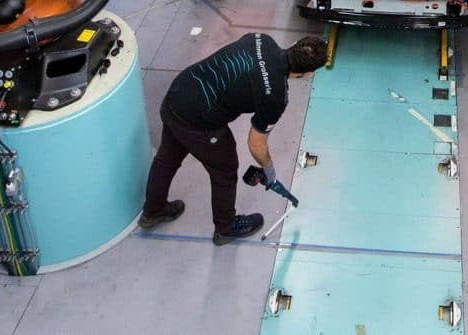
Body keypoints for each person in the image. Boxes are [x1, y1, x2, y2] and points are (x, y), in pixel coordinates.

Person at [139, 33, 329, 244]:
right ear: (308, 73)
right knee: (225, 169)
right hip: (199, 120)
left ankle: (152, 211)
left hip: (178, 92)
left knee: (167, 158)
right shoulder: (276, 96)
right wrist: (269, 171)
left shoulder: (261, 39)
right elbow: (256, 144)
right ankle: (225, 227)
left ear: (294, 44)